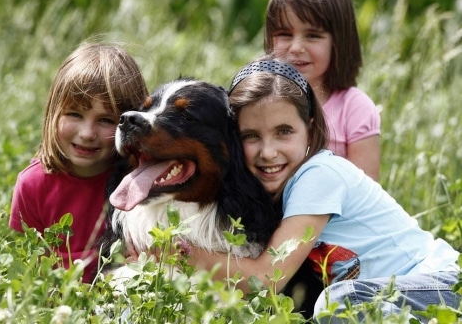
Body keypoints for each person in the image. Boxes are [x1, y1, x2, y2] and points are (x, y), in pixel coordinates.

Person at [189, 59, 460, 322]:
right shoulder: (267, 193)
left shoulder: (320, 176)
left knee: (340, 302)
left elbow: (265, 279)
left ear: (310, 128)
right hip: (395, 298)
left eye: (284, 131)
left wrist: (183, 254)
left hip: (443, 285)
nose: (268, 152)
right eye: (250, 136)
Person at [9, 40, 149, 283]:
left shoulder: (137, 182)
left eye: (105, 119)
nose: (87, 133)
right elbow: (26, 272)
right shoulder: (33, 184)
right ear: (54, 112)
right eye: (75, 114)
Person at [264, 0, 381, 181]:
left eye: (312, 36)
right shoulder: (261, 102)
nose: (296, 47)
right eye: (284, 34)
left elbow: (366, 194)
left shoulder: (354, 108)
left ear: (339, 41)